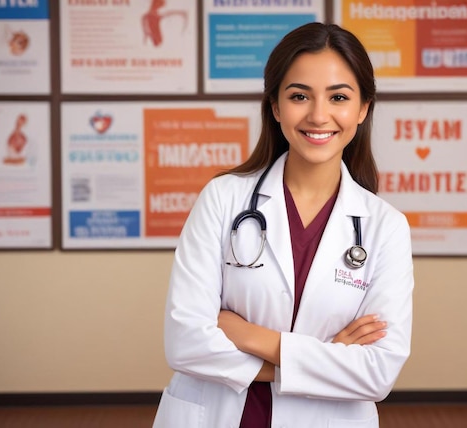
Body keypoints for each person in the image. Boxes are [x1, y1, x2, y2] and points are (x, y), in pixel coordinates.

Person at [153, 22, 414, 428]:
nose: (318, 115)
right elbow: (185, 343)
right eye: (299, 96)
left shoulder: (386, 228)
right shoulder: (222, 200)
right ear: (275, 106)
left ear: (363, 109)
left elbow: (377, 373)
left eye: (339, 97)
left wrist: (252, 337)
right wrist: (322, 357)